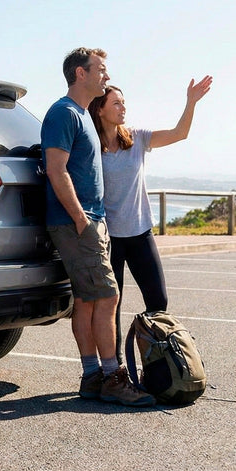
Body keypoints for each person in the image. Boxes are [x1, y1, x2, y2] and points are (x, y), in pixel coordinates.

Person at [41, 48, 154, 407]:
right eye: (100, 70)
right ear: (80, 73)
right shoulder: (63, 113)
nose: (105, 76)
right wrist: (81, 219)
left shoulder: (80, 115)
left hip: (89, 221)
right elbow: (56, 170)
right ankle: (112, 377)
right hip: (78, 223)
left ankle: (92, 377)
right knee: (108, 297)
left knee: (89, 303)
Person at [88, 76, 213, 360]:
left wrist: (190, 102)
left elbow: (179, 133)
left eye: (124, 102)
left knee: (158, 301)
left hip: (140, 233)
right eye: (116, 103)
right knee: (111, 307)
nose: (122, 108)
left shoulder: (137, 137)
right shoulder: (93, 147)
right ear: (100, 110)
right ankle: (115, 367)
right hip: (110, 239)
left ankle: (158, 361)